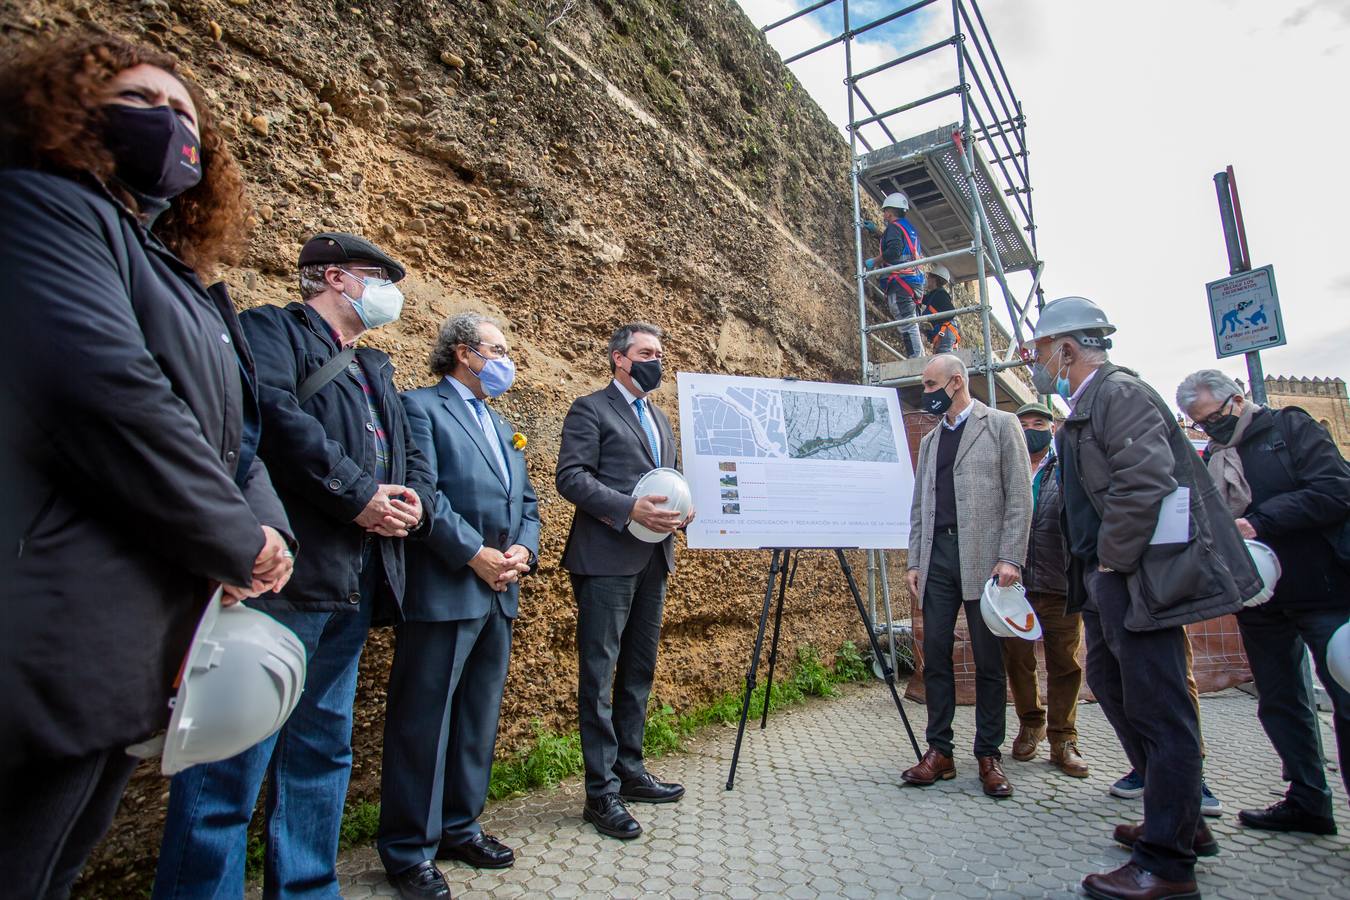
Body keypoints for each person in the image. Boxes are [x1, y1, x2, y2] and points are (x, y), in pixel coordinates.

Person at [0, 35, 294, 898]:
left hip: (135, 626)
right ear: (70, 112)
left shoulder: (182, 275)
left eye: (187, 114)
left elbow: (234, 433)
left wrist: (264, 527)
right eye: (144, 102)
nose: (173, 125)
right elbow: (106, 393)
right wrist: (232, 539)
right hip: (52, 614)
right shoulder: (43, 207)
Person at [153, 233, 435, 899]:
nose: (390, 291)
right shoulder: (269, 330)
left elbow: (406, 452)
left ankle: (307, 888)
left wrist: (409, 501)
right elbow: (273, 419)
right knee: (229, 761)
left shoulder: (375, 369)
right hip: (284, 582)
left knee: (323, 752)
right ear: (335, 277)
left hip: (353, 584)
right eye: (378, 276)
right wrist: (357, 494)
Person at [1028, 296, 1262, 900]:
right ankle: (1176, 823)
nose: (1034, 364)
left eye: (1037, 352)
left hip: (1136, 580)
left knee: (1161, 710)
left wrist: (1111, 558)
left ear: (1067, 350)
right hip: (1108, 584)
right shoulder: (1087, 405)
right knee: (1112, 685)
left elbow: (1145, 482)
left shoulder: (1117, 395)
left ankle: (1168, 863)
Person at [377, 313, 541, 899]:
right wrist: (476, 555)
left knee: (477, 718)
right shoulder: (419, 407)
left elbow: (526, 497)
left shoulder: (501, 424)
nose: (506, 360)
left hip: (501, 591)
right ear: (466, 353)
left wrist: (522, 548)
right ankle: (408, 850)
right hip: (447, 586)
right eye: (499, 349)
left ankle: (460, 827)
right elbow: (424, 493)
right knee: (423, 723)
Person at [1177, 368, 1350, 835]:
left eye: (1213, 418)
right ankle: (1307, 799)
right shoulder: (1213, 455)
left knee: (1345, 696)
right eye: (1199, 423)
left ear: (1238, 399)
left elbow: (1336, 491)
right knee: (1280, 701)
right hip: (1259, 597)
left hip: (1323, 587)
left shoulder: (1291, 429)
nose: (1209, 429)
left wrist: (1258, 522)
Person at [556, 322, 694, 839]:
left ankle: (630, 771)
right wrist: (627, 508)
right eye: (646, 352)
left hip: (654, 559)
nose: (656, 360)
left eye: (660, 352)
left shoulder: (661, 419)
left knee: (638, 670)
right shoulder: (590, 409)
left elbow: (669, 482)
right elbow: (570, 476)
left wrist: (683, 509)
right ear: (619, 358)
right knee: (599, 677)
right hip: (605, 560)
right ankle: (601, 794)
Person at [903, 354, 1032, 798]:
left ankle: (988, 754)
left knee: (988, 660)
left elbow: (1019, 496)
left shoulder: (1000, 425)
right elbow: (920, 505)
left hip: (985, 559)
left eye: (931, 384)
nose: (927, 394)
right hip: (938, 558)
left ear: (957, 382)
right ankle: (939, 752)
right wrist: (915, 561)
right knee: (935, 652)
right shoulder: (931, 440)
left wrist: (1011, 557)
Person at [1001, 402, 1088, 778]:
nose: (1031, 428)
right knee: (1018, 662)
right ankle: (1030, 723)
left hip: (1060, 584)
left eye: (1039, 422)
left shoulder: (1067, 466)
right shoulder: (1007, 469)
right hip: (1016, 587)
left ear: (1052, 429)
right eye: (1024, 424)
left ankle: (1063, 739)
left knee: (1064, 664)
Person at [864, 191, 926, 357]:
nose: (883, 214)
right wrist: (877, 232)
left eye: (885, 211)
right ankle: (918, 356)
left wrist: (874, 262)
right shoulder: (907, 228)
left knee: (906, 322)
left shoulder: (893, 227)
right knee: (909, 320)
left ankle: (917, 358)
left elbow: (894, 251)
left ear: (890, 212)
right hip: (913, 281)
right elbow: (898, 243)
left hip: (902, 281)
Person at [920, 263, 961, 354]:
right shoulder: (934, 295)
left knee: (944, 360)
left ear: (934, 279)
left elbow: (951, 313)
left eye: (928, 277)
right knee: (941, 359)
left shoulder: (941, 294)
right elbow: (921, 298)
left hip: (946, 331)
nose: (927, 279)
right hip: (944, 332)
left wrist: (933, 322)